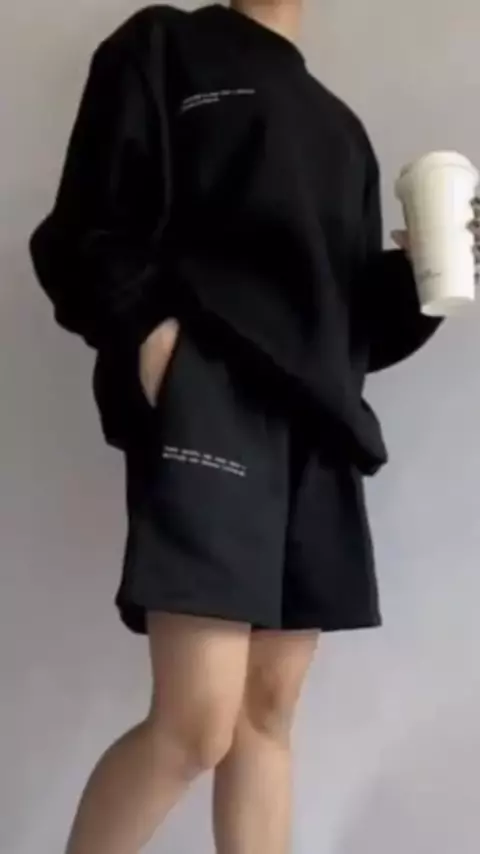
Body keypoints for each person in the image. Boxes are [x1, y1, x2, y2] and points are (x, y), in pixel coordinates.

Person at [29, 2, 480, 853]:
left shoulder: (342, 130)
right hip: (214, 395)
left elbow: (345, 327)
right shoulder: (164, 45)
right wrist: (151, 334)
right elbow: (86, 224)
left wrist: (429, 276)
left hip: (320, 429)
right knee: (195, 725)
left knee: (267, 713)